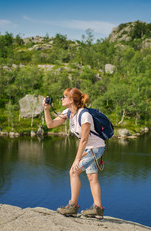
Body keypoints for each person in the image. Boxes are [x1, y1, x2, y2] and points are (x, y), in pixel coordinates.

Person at [43, 88, 105, 217]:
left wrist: (77, 159)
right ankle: (98, 209)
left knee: (73, 171)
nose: (62, 99)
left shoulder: (84, 115)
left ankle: (72, 206)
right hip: (89, 148)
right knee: (92, 177)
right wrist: (46, 109)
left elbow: (84, 139)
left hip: (95, 148)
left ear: (71, 100)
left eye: (64, 97)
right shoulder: (68, 112)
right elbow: (50, 125)